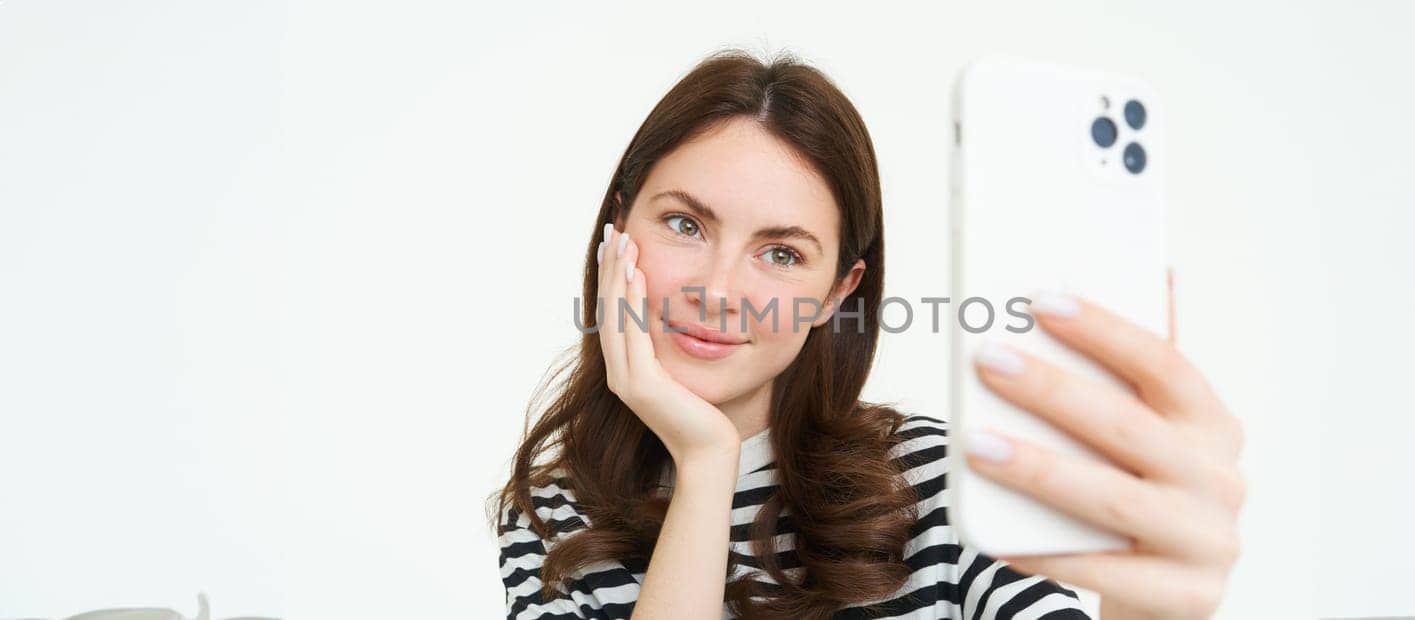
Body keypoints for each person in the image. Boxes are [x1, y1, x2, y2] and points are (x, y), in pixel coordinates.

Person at [495, 48, 1244, 619]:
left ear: (837, 292)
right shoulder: (549, 515)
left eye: (781, 253)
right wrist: (705, 464)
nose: (718, 291)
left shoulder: (935, 483)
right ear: (617, 228)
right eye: (685, 224)